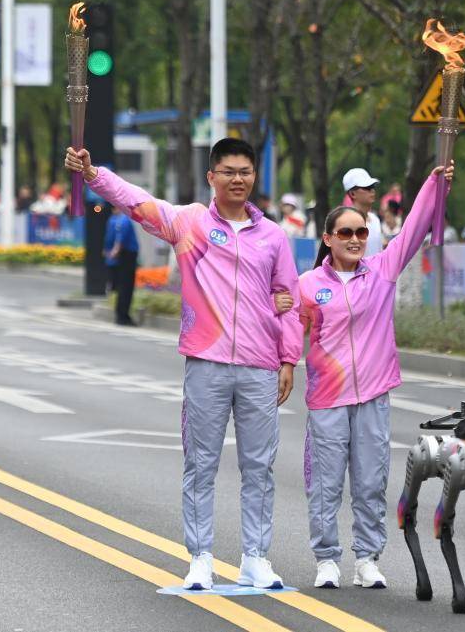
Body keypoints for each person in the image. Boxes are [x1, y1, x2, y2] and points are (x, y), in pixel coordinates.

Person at [65, 138, 303, 591]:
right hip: (207, 362)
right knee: (201, 463)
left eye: (245, 172)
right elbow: (138, 203)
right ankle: (200, 557)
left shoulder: (273, 236)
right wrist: (94, 176)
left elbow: (287, 300)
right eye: (229, 171)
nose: (238, 179)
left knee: (260, 465)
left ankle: (255, 556)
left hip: (259, 366)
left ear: (255, 177)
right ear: (211, 176)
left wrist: (289, 357)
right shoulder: (189, 223)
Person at [299, 161, 454, 591]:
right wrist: (278, 370)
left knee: (370, 482)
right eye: (345, 233)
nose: (354, 240)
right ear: (328, 238)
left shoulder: (382, 273)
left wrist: (434, 182)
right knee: (325, 484)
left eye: (361, 232)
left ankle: (366, 558)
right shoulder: (308, 285)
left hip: (372, 397)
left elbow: (415, 228)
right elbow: (286, 335)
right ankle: (326, 558)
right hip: (327, 398)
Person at [104, 206, 140, 326]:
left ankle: (121, 314)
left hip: (119, 257)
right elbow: (120, 239)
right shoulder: (124, 220)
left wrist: (109, 252)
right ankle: (123, 316)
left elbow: (109, 238)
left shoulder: (112, 219)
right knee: (126, 287)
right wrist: (115, 251)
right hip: (127, 256)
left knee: (121, 286)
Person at [342, 167, 382, 256]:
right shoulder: (345, 222)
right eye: (367, 187)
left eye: (372, 187)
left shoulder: (375, 219)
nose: (372, 190)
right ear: (352, 193)